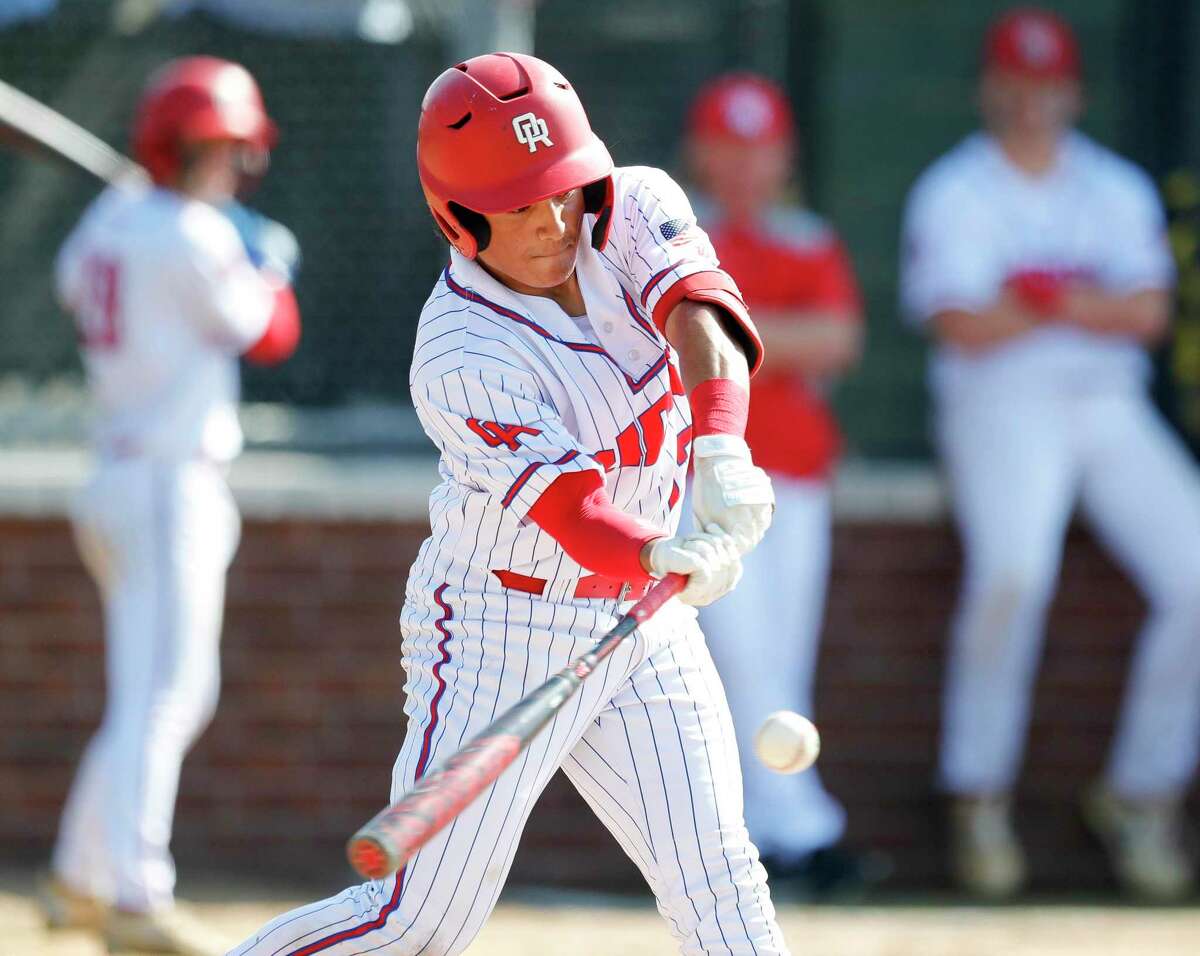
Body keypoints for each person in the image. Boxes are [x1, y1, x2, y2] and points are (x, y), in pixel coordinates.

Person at [232, 51, 785, 956]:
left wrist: (721, 448)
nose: (555, 218)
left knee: (722, 883)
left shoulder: (634, 202)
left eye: (562, 188)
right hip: (501, 624)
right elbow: (574, 514)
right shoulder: (457, 352)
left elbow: (699, 312)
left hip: (641, 627)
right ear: (460, 218)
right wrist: (659, 553)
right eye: (521, 203)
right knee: (415, 922)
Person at [901, 7, 1200, 901]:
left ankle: (1142, 795)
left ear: (1073, 90)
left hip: (1107, 401)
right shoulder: (955, 189)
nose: (1033, 101)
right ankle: (978, 794)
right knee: (1015, 574)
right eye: (1016, 84)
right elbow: (961, 321)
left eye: (1048, 85)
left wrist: (1037, 301)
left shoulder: (1113, 188)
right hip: (1001, 405)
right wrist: (1078, 299)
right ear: (992, 88)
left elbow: (1148, 313)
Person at [39, 57, 301, 954]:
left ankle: (80, 874)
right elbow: (269, 333)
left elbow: (77, 281)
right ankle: (137, 894)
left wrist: (225, 239)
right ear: (196, 150)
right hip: (164, 483)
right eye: (227, 151)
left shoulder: (113, 216)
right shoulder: (195, 234)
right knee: (165, 695)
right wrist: (267, 264)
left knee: (154, 692)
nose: (235, 167)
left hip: (119, 476)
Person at [683, 73, 872, 896]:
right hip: (705, 480)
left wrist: (732, 326)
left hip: (796, 476)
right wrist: (767, 330)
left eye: (758, 148)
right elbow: (676, 339)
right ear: (702, 151)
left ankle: (766, 843)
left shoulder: (806, 236)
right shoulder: (678, 231)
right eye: (728, 146)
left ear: (784, 155)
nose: (744, 164)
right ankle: (803, 832)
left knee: (780, 661)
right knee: (743, 657)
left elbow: (836, 337)